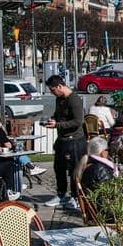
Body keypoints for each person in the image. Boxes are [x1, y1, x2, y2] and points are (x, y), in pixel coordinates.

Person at [44, 75, 86, 209]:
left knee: (74, 170)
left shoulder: (74, 100)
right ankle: (61, 194)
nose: (52, 93)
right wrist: (52, 120)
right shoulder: (59, 99)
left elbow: (78, 121)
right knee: (59, 168)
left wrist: (57, 125)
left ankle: (76, 196)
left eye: (53, 90)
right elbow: (58, 115)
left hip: (74, 140)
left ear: (60, 86)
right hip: (62, 139)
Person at [0, 104, 47, 181]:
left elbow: (4, 137)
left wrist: (0, 126)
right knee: (16, 156)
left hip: (3, 150)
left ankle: (28, 169)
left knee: (18, 153)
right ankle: (30, 167)